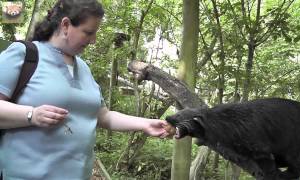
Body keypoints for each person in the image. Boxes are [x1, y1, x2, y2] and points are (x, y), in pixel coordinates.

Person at [0, 0, 173, 179]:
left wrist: (145, 124)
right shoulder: (24, 54)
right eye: (89, 32)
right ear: (66, 25)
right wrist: (32, 115)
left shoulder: (83, 68)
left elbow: (104, 116)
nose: (94, 40)